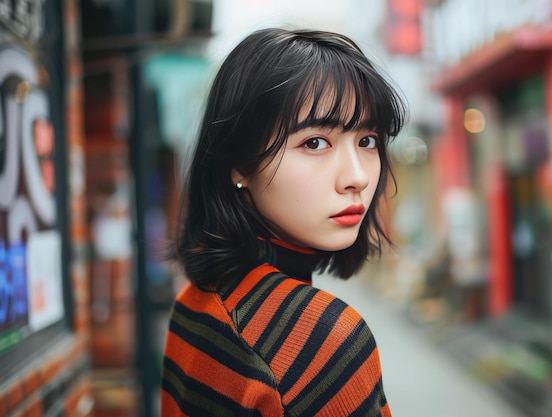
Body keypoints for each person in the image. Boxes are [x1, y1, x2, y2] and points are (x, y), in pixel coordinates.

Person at [161, 27, 406, 416]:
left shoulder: (196, 300)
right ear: (240, 163)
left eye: (368, 140)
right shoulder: (324, 338)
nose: (358, 176)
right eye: (315, 143)